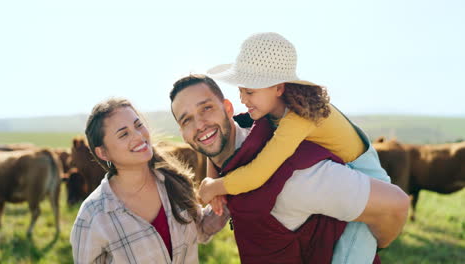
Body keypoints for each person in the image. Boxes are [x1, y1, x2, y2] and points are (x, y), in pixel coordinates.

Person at [198, 32, 394, 263]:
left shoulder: (297, 118)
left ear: (279, 88)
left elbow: (258, 174)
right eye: (241, 91)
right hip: (344, 176)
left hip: (367, 177)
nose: (243, 99)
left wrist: (214, 187)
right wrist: (212, 175)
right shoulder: (275, 110)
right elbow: (229, 133)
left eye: (250, 92)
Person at [170, 74, 409, 263]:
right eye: (186, 119)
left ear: (227, 108)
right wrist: (213, 183)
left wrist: (380, 242)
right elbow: (221, 154)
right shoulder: (243, 136)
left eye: (206, 108)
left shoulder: (296, 174)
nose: (199, 125)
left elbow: (396, 205)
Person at [69, 98, 228, 264]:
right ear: (103, 153)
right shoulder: (92, 217)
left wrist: (231, 188)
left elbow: (200, 229)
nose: (139, 136)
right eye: (124, 134)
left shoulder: (174, 183)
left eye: (138, 125)